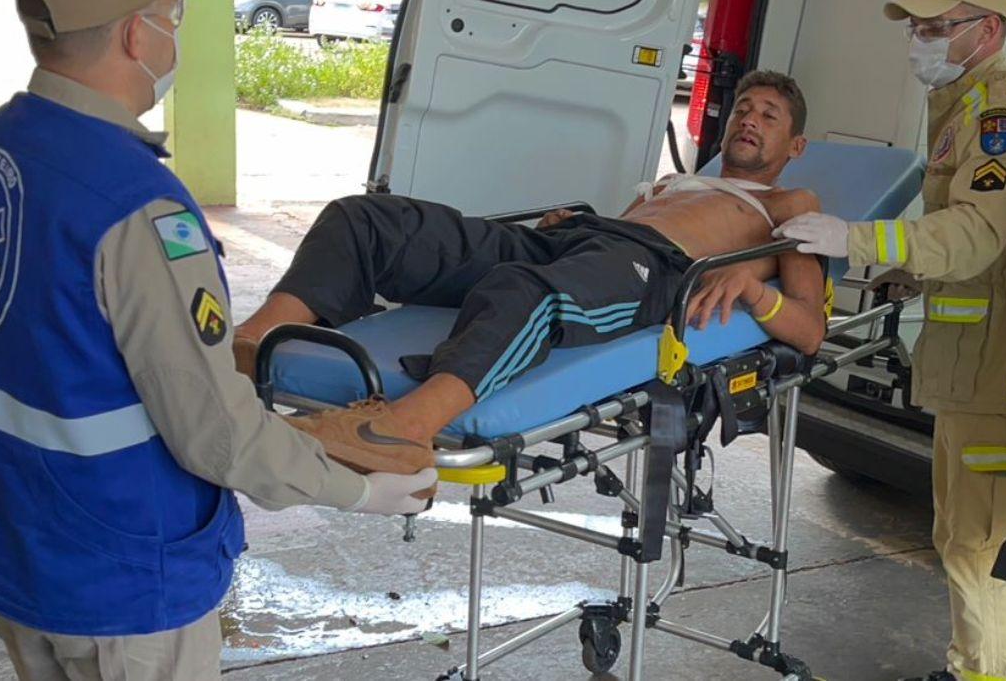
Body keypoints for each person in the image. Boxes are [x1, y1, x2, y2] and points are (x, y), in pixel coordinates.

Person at [0, 0, 434, 681]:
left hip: (7, 543)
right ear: (138, 37)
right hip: (120, 580)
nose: (175, 36)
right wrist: (359, 492)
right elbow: (214, 432)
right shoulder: (138, 208)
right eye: (173, 15)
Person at [233, 70, 830, 476]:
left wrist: (754, 288)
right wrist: (572, 226)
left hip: (652, 270)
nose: (750, 120)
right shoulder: (679, 180)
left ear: (795, 144)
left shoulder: (791, 204)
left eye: (770, 116)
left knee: (527, 292)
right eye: (745, 109)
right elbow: (606, 247)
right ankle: (246, 353)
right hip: (581, 244)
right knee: (366, 220)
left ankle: (403, 429)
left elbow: (810, 330)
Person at [775, 0, 1006, 681]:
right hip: (978, 355)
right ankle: (973, 666)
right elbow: (969, 242)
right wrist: (899, 264)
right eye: (917, 27)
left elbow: (976, 233)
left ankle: (987, 675)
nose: (921, 40)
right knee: (963, 534)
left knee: (986, 543)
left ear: (988, 30)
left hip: (1005, 355)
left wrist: (858, 239)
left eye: (938, 27)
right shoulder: (967, 111)